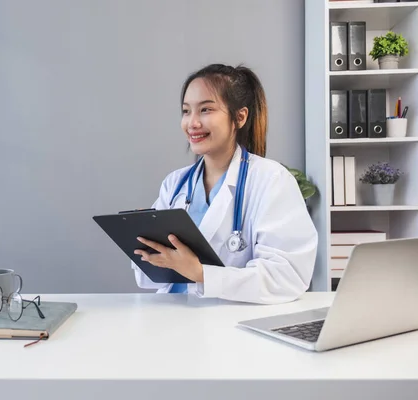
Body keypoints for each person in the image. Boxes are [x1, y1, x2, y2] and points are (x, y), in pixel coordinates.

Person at [131, 63, 318, 304]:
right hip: (169, 319)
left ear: (239, 117)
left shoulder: (271, 180)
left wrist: (201, 273)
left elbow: (286, 277)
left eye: (206, 110)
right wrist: (144, 244)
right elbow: (151, 278)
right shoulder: (176, 183)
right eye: (186, 111)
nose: (192, 123)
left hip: (229, 326)